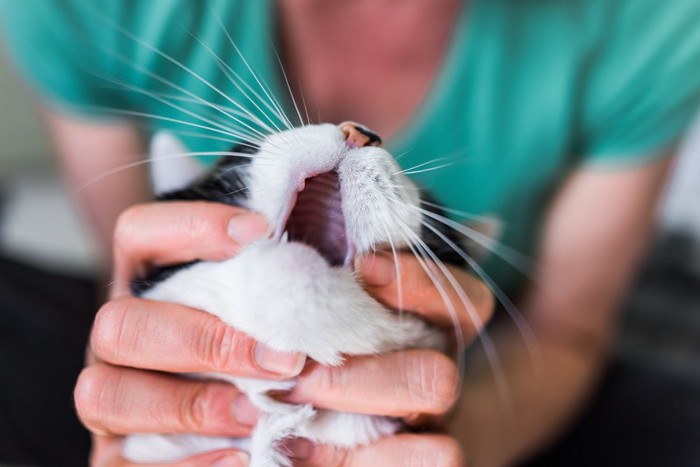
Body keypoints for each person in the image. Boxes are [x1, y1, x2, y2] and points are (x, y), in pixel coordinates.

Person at [1, 0, 699, 465]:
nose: (353, 137)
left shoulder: (653, 20)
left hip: (484, 384)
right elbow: (126, 271)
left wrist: (443, 437)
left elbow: (563, 332)